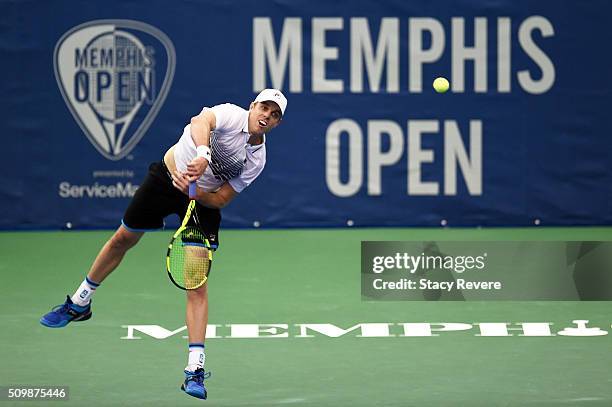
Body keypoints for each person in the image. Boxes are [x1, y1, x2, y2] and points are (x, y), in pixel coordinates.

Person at [40, 89, 288, 400]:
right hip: (166, 179)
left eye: (275, 114)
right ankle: (79, 302)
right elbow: (201, 121)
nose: (267, 115)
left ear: (277, 123)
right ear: (253, 106)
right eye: (264, 107)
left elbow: (223, 198)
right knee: (122, 239)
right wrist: (203, 155)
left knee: (195, 283)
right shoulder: (230, 114)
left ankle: (194, 371)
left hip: (200, 203)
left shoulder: (257, 159)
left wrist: (195, 193)